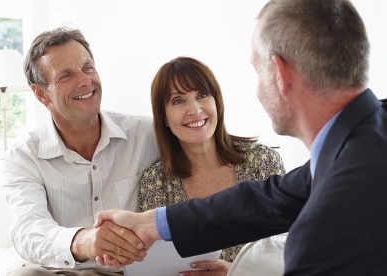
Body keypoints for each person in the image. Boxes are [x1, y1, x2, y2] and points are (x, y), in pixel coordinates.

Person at [94, 0, 387, 274]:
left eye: (257, 70)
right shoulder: (358, 147)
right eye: (178, 101)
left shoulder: (325, 228)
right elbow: (274, 197)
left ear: (280, 74)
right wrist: (150, 223)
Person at [0, 27, 159, 275]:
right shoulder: (21, 157)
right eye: (66, 75)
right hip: (61, 270)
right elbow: (28, 229)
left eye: (88, 68)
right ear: (41, 94)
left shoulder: (148, 134)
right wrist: (84, 241)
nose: (85, 81)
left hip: (133, 271)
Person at [138, 56, 286, 275]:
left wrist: (235, 272)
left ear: (216, 101)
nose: (195, 109)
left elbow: (291, 252)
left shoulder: (263, 162)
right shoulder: (156, 183)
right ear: (164, 117)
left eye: (202, 95)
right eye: (178, 101)